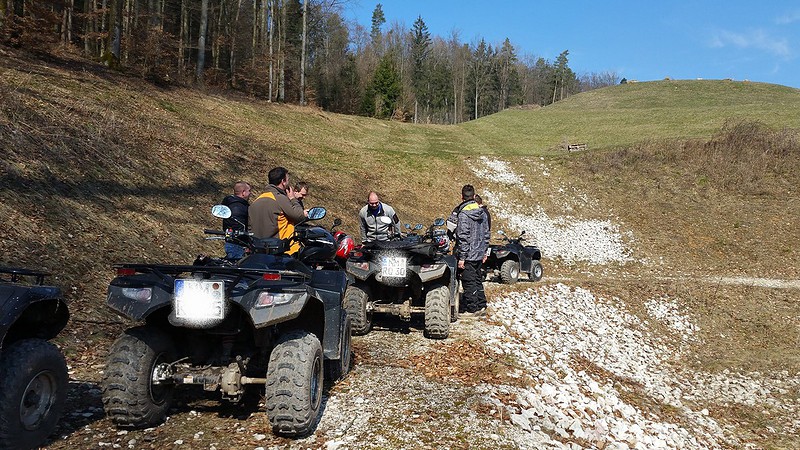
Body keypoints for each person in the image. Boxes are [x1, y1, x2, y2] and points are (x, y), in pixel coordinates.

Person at [249, 167, 306, 254]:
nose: (288, 183)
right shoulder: (280, 199)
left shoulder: (256, 201)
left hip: (259, 250)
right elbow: (299, 216)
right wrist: (293, 199)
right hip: (281, 250)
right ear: (283, 181)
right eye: (288, 180)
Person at [452, 185, 490, 315]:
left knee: (468, 281)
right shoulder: (483, 213)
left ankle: (473, 309)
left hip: (468, 254)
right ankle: (482, 304)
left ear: (462, 197)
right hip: (479, 253)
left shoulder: (463, 215)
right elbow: (486, 234)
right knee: (477, 279)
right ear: (474, 197)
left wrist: (462, 257)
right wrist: (485, 251)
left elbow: (463, 237)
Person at [220, 181, 251, 260]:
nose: (250, 193)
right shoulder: (238, 207)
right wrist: (247, 241)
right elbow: (239, 226)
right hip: (238, 244)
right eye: (249, 191)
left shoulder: (231, 204)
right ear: (243, 192)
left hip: (232, 243)